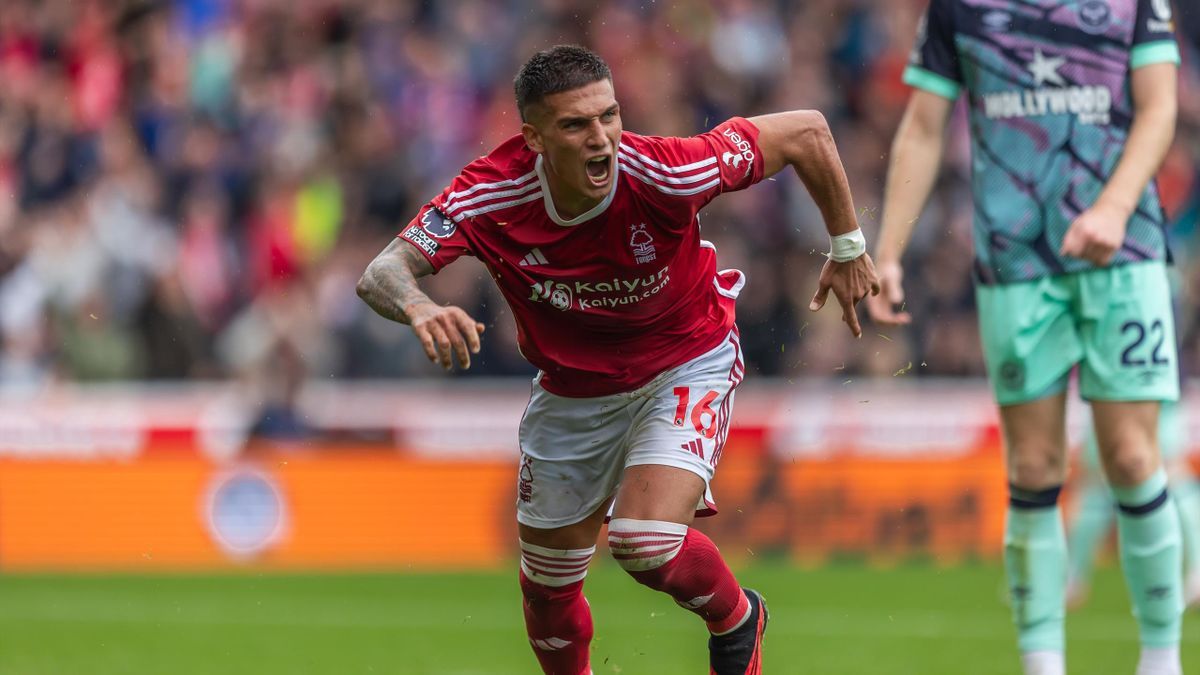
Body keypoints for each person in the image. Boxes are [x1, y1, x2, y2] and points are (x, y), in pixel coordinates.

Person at [357, 45, 879, 675]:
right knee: (547, 591)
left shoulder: (666, 170)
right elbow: (383, 271)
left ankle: (737, 618)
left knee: (644, 541)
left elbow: (807, 130)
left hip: (686, 359)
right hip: (573, 392)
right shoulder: (490, 194)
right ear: (535, 138)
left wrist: (848, 245)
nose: (601, 138)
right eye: (576, 125)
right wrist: (417, 307)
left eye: (610, 116)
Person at [867, 2, 1186, 674]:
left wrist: (1114, 207)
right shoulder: (960, 8)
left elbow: (1160, 109)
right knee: (1035, 468)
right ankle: (1042, 665)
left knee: (1130, 457)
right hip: (1015, 262)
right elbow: (924, 126)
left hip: (1123, 254)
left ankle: (1161, 658)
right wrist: (888, 250)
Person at [1067, 402, 1200, 611]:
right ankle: (1072, 578)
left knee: (1174, 480)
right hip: (1138, 399)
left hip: (1139, 401)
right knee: (1175, 482)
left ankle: (1072, 580)